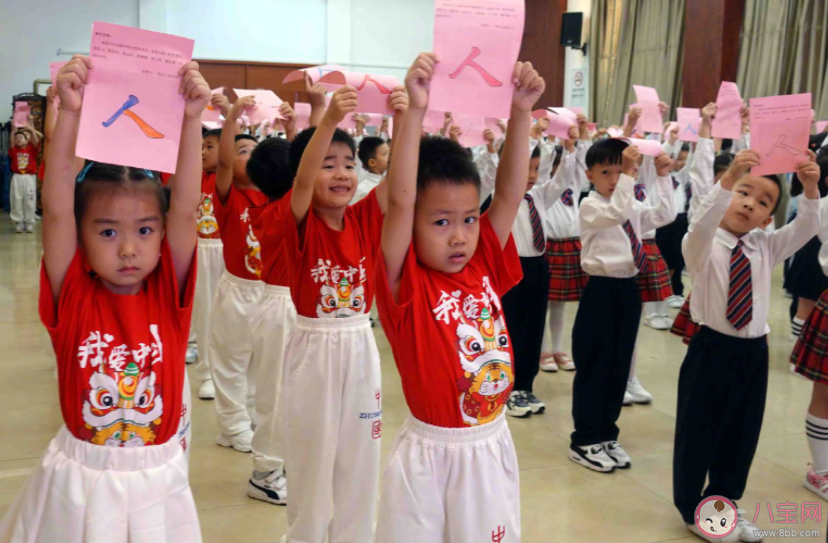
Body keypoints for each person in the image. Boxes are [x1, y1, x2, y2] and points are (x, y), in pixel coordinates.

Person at [0, 54, 208, 542]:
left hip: (158, 478)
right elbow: (55, 211)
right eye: (108, 231)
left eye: (144, 230)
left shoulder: (168, 295)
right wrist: (69, 115)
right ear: (83, 238)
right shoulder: (72, 294)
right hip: (82, 481)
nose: (130, 248)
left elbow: (185, 208)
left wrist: (193, 119)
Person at [374, 51, 544, 543]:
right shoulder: (404, 280)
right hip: (431, 454)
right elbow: (402, 199)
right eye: (441, 222)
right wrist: (415, 113)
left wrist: (520, 112)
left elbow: (509, 194)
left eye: (468, 219)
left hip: (489, 443)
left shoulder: (483, 260)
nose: (459, 237)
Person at [673, 149, 821, 542]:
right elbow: (704, 220)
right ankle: (692, 509)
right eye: (743, 192)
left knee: (741, 433)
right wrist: (727, 179)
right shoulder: (701, 243)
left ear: (768, 218)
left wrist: (810, 189)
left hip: (753, 351)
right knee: (699, 430)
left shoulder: (764, 246)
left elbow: (806, 228)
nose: (749, 203)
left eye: (762, 202)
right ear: (727, 193)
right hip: (712, 348)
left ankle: (723, 503)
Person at [279, 83, 403, 542]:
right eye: (328, 164)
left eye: (349, 164)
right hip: (313, 349)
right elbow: (302, 183)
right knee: (312, 466)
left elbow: (400, 183)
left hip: (360, 347)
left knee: (359, 461)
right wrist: (328, 119)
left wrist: (407, 121)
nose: (341, 174)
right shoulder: (300, 221)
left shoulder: (366, 217)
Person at [569, 139, 675, 473]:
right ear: (590, 175)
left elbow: (665, 214)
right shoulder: (591, 205)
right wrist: (631, 173)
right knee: (594, 364)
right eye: (606, 172)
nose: (615, 178)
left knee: (618, 365)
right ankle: (584, 439)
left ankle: (606, 433)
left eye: (620, 170)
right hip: (600, 290)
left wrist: (661, 177)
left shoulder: (630, 203)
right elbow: (615, 212)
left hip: (629, 288)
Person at [208, 95, 269, 453]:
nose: (249, 157)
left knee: (261, 365)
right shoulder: (229, 195)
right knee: (231, 361)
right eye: (243, 151)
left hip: (270, 294)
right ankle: (231, 425)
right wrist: (231, 117)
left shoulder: (274, 197)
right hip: (237, 289)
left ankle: (249, 417)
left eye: (255, 152)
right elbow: (226, 162)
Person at [192, 125, 224, 399]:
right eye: (201, 146)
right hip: (202, 249)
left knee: (226, 317)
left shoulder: (231, 180)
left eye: (209, 147)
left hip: (226, 252)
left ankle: (228, 372)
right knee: (204, 314)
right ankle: (207, 373)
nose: (203, 152)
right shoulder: (195, 177)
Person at [8, 122, 42, 233]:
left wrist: (31, 129)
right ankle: (19, 222)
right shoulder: (14, 151)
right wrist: (14, 129)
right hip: (17, 177)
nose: (18, 139)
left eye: (21, 137)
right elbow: (12, 140)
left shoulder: (31, 149)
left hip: (28, 177)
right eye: (16, 138)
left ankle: (29, 222)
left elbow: (37, 140)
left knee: (29, 199)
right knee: (16, 199)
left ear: (27, 140)